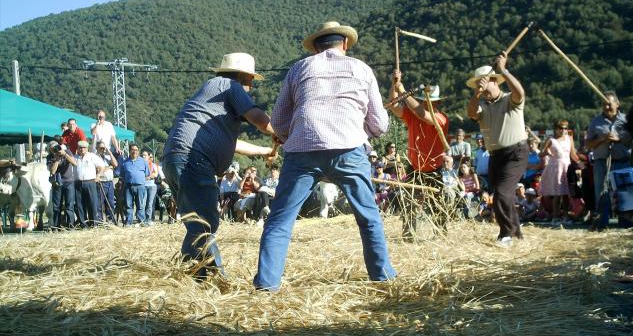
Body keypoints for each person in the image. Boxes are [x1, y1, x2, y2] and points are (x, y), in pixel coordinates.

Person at [254, 21, 397, 290]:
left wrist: (291, 134)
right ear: (345, 43)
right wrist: (360, 128)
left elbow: (280, 121)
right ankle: (382, 277)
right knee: (368, 217)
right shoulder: (361, 69)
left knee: (280, 220)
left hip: (302, 150)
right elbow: (379, 125)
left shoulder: (299, 68)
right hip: (349, 148)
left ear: (315, 48)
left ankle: (266, 284)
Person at [162, 52, 275, 278]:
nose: (251, 86)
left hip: (175, 159)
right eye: (250, 80)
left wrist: (265, 150)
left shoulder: (213, 94)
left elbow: (232, 144)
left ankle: (193, 274)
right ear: (242, 76)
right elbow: (258, 118)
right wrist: (280, 132)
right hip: (194, 160)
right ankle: (215, 278)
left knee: (196, 222)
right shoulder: (230, 86)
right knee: (205, 223)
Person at [467, 53, 527, 246]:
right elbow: (471, 113)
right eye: (478, 85)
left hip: (515, 153)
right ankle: (516, 233)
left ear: (494, 81)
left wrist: (503, 70)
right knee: (503, 194)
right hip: (495, 156)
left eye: (484, 84)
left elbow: (520, 92)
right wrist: (477, 94)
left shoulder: (510, 99)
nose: (482, 89)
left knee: (502, 193)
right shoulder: (481, 105)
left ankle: (505, 234)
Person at [387, 73, 449, 238]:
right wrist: (394, 86)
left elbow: (423, 115)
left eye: (430, 102)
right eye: (424, 101)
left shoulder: (441, 118)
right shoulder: (412, 115)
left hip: (434, 169)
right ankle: (408, 234)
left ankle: (440, 234)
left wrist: (403, 92)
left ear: (437, 103)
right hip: (415, 167)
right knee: (408, 201)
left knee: (436, 204)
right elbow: (393, 105)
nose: (426, 104)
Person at [586, 91, 632, 230]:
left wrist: (619, 138)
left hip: (623, 162)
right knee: (602, 194)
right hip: (602, 163)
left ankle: (626, 224)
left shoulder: (627, 121)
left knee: (625, 193)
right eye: (603, 104)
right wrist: (603, 138)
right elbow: (588, 145)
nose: (606, 107)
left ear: (617, 104)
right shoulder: (595, 122)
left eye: (609, 104)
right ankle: (601, 224)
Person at [539, 120, 579, 225]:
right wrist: (546, 152)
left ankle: (566, 217)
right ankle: (555, 218)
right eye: (561, 128)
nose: (563, 130)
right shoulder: (550, 139)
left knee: (566, 194)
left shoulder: (569, 138)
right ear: (556, 129)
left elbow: (573, 154)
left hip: (567, 167)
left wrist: (580, 163)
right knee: (557, 194)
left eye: (565, 128)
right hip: (555, 168)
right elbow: (541, 154)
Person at [74, 140, 105, 227]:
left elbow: (102, 166)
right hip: (78, 183)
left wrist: (98, 175)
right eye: (80, 147)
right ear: (77, 148)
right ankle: (83, 224)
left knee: (92, 203)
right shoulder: (75, 157)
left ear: (87, 148)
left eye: (84, 147)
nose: (82, 149)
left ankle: (94, 223)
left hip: (90, 182)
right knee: (80, 204)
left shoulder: (92, 156)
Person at [47, 141, 77, 229]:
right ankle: (56, 226)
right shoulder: (50, 157)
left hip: (69, 181)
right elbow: (52, 171)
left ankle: (71, 225)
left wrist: (65, 154)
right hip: (57, 183)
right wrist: (56, 160)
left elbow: (75, 163)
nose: (55, 150)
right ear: (50, 150)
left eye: (56, 147)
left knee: (69, 205)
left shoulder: (67, 151)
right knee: (56, 206)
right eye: (52, 149)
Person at [120, 143, 150, 226]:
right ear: (129, 151)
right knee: (128, 206)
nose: (134, 151)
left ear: (138, 151)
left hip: (140, 186)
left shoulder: (143, 162)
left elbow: (147, 174)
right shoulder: (125, 162)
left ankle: (141, 222)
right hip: (128, 186)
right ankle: (128, 223)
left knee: (140, 206)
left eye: (136, 150)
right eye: (133, 150)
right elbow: (122, 175)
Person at [95, 141, 118, 224]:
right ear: (97, 148)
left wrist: (110, 153)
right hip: (101, 182)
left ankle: (110, 221)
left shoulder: (107, 157)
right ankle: (100, 222)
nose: (103, 150)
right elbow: (98, 170)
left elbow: (115, 164)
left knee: (111, 203)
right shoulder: (95, 157)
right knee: (100, 204)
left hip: (110, 182)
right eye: (101, 148)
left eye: (104, 148)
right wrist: (109, 167)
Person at [141, 150, 159, 225]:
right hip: (143, 186)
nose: (143, 157)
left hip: (152, 186)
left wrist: (148, 177)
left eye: (145, 155)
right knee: (142, 203)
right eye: (142, 155)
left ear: (148, 156)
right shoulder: (140, 165)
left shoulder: (153, 165)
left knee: (149, 204)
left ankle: (148, 219)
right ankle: (142, 220)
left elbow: (156, 174)